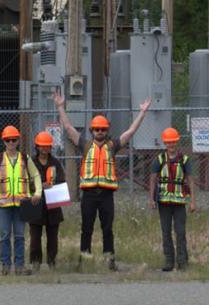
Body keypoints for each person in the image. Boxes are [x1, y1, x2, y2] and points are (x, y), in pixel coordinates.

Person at [53, 91, 152, 270]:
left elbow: (130, 132)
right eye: (97, 129)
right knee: (87, 229)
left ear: (107, 131)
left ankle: (109, 261)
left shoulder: (113, 146)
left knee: (107, 229)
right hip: (89, 195)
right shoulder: (85, 145)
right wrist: (60, 107)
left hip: (106, 195)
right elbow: (68, 128)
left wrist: (142, 113)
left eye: (103, 129)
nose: (100, 132)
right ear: (92, 131)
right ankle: (85, 261)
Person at [0, 125, 41, 275]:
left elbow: (36, 175)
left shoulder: (25, 158)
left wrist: (38, 192)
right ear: (4, 141)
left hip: (21, 204)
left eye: (14, 140)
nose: (11, 143)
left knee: (20, 236)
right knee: (5, 235)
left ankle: (19, 266)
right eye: (8, 140)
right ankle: (5, 265)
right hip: (3, 205)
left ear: (18, 141)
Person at [149, 127, 196, 271]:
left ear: (177, 142)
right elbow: (152, 180)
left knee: (180, 232)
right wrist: (151, 199)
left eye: (173, 142)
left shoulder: (185, 160)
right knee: (166, 231)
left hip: (179, 202)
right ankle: (169, 261)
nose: (171, 145)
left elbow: (191, 181)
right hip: (163, 202)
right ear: (165, 143)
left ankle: (182, 262)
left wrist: (193, 201)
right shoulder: (159, 159)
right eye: (168, 142)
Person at [29, 130, 65, 273]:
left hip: (53, 205)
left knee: (52, 237)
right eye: (41, 146)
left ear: (51, 147)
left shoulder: (55, 163)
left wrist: (53, 186)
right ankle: (35, 263)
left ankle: (52, 262)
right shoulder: (30, 162)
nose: (44, 149)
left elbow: (62, 180)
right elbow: (25, 182)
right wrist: (38, 186)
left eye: (47, 146)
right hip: (35, 204)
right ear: (36, 146)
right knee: (35, 238)